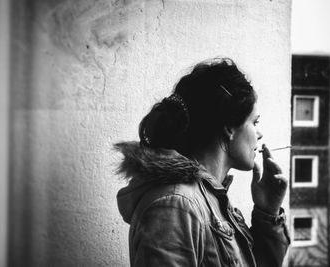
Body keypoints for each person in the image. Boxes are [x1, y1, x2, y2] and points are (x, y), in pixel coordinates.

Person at [114, 58, 290, 267]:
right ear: (229, 128)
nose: (259, 134)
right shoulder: (176, 204)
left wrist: (268, 213)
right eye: (254, 122)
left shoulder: (210, 201)